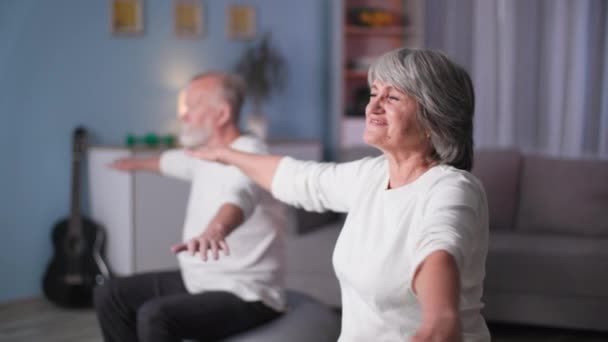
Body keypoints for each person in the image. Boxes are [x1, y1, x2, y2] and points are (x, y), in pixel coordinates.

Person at [188, 48, 491, 341]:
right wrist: (226, 153)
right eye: (373, 94)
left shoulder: (451, 189)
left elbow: (439, 254)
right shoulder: (371, 176)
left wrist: (440, 319)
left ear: (433, 118)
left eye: (393, 97)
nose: (372, 107)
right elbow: (296, 177)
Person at [93, 72, 288, 342]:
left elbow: (241, 193)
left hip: (248, 291)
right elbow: (169, 162)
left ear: (221, 114)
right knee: (110, 293)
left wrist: (217, 229)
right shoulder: (204, 153)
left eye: (193, 106)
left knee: (155, 316)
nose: (184, 115)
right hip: (199, 280)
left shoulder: (251, 153)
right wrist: (132, 164)